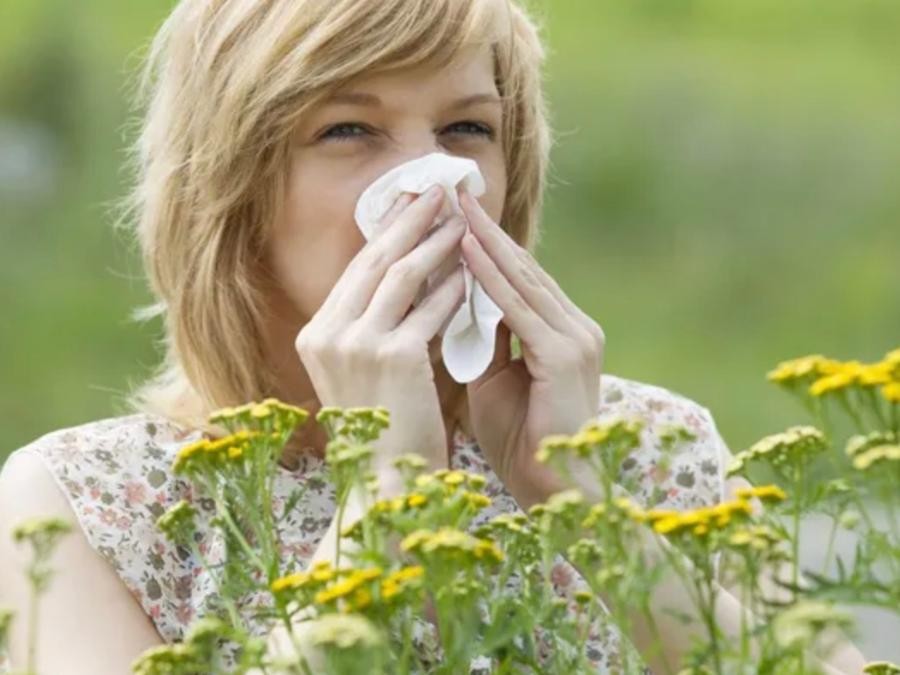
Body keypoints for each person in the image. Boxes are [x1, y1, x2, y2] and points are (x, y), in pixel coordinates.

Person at [0, 0, 868, 673]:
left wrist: (582, 500)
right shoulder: (82, 506)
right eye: (349, 129)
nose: (435, 186)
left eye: (466, 130)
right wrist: (383, 493)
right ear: (232, 189)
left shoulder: (647, 450)